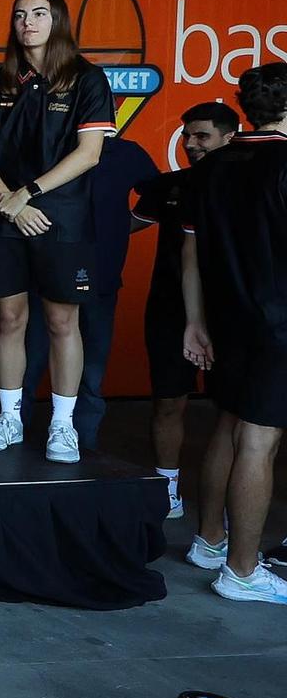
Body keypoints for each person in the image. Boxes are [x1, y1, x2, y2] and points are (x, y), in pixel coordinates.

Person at [0, 0, 116, 463]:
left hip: (60, 220)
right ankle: (10, 417)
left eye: (39, 13)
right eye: (20, 14)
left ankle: (62, 426)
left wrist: (27, 194)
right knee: (9, 318)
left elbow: (89, 155)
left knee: (62, 320)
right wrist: (9, 203)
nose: (28, 22)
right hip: (6, 218)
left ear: (59, 20)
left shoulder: (86, 79)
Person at [179, 62, 287, 605]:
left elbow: (192, 251)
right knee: (258, 440)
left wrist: (196, 321)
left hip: (227, 319)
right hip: (277, 324)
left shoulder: (214, 167)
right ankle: (242, 572)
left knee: (227, 423)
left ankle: (208, 541)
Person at [19, 130, 157, 452]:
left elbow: (159, 195)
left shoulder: (126, 152)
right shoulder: (46, 144)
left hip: (102, 276)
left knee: (91, 375)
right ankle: (14, 435)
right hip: (48, 276)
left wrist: (125, 224)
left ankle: (83, 447)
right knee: (29, 365)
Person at [133, 102, 238, 515]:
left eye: (202, 136)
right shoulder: (168, 186)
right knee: (168, 401)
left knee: (234, 413)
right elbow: (124, 224)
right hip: (169, 311)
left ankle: (229, 499)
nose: (192, 145)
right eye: (188, 136)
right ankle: (167, 490)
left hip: (233, 314)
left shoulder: (251, 187)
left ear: (231, 136)